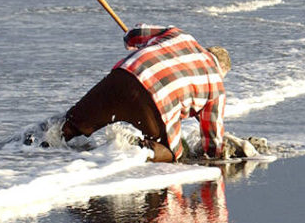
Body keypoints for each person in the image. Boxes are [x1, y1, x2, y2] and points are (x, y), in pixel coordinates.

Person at [57, 25, 233, 162]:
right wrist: (215, 155)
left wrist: (131, 41)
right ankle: (135, 148)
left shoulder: (180, 36)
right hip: (156, 104)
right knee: (172, 153)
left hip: (124, 75)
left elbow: (137, 32)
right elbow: (212, 140)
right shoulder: (216, 87)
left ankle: (36, 145)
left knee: (71, 124)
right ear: (222, 70)